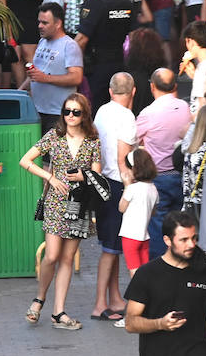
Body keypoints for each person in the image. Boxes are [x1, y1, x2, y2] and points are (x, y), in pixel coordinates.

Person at [123, 210, 206, 356]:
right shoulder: (148, 274)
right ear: (167, 240)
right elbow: (130, 322)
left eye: (194, 238)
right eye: (183, 239)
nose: (191, 244)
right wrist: (160, 324)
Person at [20, 93, 103, 331]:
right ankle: (39, 298)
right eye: (67, 111)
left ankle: (58, 312)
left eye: (76, 112)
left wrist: (84, 176)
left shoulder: (92, 141)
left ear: (84, 114)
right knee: (52, 255)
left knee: (67, 258)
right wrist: (50, 176)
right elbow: (25, 160)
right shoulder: (54, 136)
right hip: (55, 203)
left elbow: (97, 175)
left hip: (79, 205)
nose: (70, 117)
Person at [91, 73, 138, 321]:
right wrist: (132, 190)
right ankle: (100, 305)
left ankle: (115, 297)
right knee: (110, 249)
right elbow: (123, 160)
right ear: (133, 92)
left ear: (110, 91)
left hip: (101, 184)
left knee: (112, 245)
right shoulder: (128, 117)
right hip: (118, 185)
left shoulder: (102, 112)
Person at [135, 69, 192, 258]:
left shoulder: (148, 113)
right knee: (181, 225)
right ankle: (181, 262)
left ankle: (161, 268)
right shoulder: (185, 108)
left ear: (152, 87)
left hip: (158, 178)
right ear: (175, 86)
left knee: (158, 227)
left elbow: (133, 138)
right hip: (182, 176)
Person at [28, 3, 84, 134]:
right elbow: (36, 74)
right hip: (37, 111)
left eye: (45, 23)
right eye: (39, 22)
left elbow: (76, 77)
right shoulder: (42, 41)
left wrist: (46, 78)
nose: (39, 26)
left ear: (58, 24)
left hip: (58, 113)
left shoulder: (69, 45)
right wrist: (21, 90)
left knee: (55, 154)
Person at [120, 150, 160, 274]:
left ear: (134, 169)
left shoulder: (132, 189)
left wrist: (126, 185)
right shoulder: (153, 189)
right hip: (145, 236)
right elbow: (153, 212)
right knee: (144, 271)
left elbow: (121, 208)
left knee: (134, 271)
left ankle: (137, 293)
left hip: (130, 236)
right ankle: (146, 293)